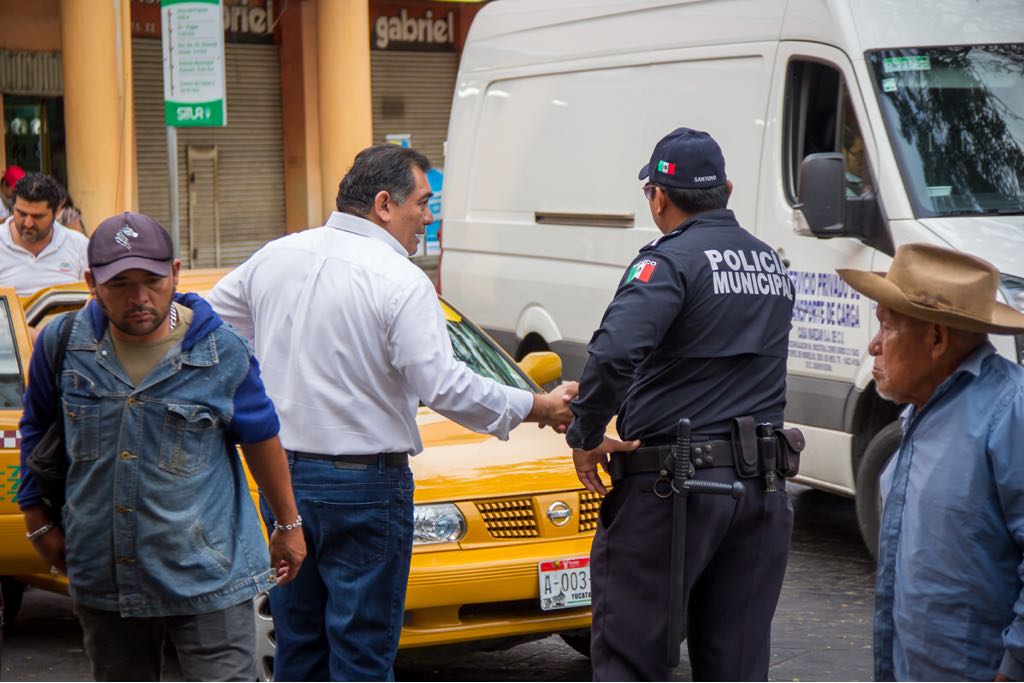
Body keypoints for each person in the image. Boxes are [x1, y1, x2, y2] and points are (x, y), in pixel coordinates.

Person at [207, 143, 578, 681]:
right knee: (360, 655)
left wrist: (267, 376)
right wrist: (538, 405)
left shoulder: (278, 256)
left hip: (286, 482)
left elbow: (214, 331)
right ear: (384, 204)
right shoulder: (399, 278)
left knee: (299, 650)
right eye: (424, 202)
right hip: (365, 491)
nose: (429, 216)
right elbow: (445, 385)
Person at [17, 212, 306, 681]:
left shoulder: (220, 350)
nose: (139, 298)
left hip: (208, 576)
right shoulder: (63, 344)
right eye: (120, 285)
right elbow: (37, 429)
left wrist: (289, 525)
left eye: (152, 281)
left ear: (175, 272)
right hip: (104, 575)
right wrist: (35, 515)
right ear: (91, 282)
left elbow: (261, 437)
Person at [568, 128, 797, 681]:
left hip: (674, 492)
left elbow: (617, 352)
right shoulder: (770, 263)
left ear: (658, 196)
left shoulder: (667, 263)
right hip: (761, 491)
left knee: (632, 656)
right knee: (737, 664)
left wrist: (586, 432)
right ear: (728, 189)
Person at [835, 244, 1024, 681]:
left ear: (937, 339)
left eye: (887, 326)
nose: (874, 344)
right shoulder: (922, 412)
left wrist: (1013, 669)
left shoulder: (1008, 412)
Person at [0, 173, 88, 296]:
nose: (28, 223)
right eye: (21, 213)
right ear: (12, 208)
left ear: (56, 212)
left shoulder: (79, 246)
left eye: (38, 216)